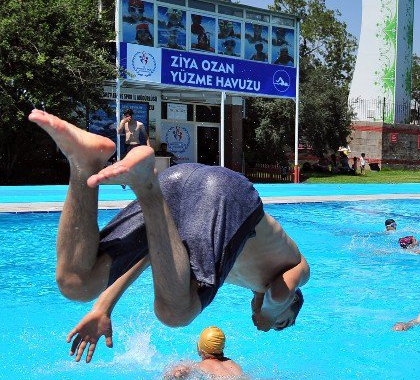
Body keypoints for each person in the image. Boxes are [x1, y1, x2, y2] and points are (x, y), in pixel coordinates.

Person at [28, 110, 309, 363]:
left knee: (77, 284)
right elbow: (279, 293)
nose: (272, 327)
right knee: (175, 313)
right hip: (227, 194)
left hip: (178, 180)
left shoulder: (233, 265)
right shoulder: (297, 267)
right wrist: (269, 316)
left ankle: (84, 162)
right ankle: (147, 187)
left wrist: (103, 306)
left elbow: (154, 252)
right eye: (284, 324)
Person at [164, 326, 244, 380]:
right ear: (222, 348)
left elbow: (177, 374)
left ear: (199, 348)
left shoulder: (199, 366)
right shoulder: (232, 363)